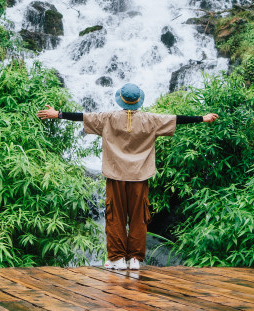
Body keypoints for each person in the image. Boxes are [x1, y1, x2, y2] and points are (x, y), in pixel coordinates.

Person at [37, 81, 218, 270]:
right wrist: (202, 118)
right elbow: (176, 119)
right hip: (140, 177)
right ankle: (135, 259)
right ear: (139, 100)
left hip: (115, 176)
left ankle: (117, 258)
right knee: (139, 218)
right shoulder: (151, 120)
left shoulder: (107, 118)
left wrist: (58, 114)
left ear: (120, 100)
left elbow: (82, 117)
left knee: (115, 216)